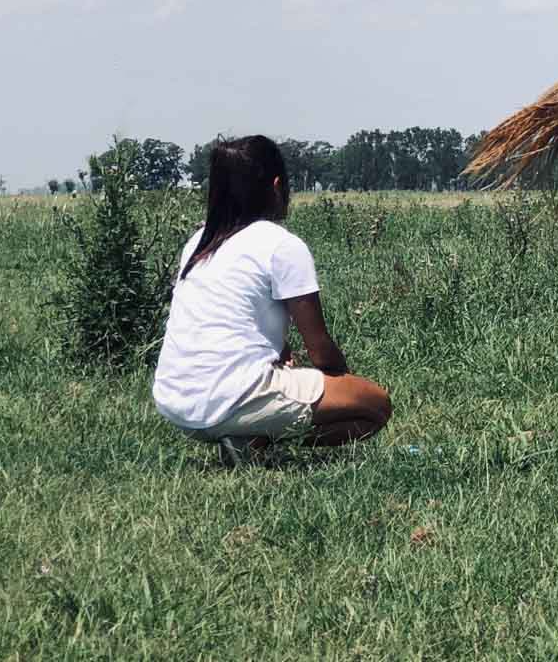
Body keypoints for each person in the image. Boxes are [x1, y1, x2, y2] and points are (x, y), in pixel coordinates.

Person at [151, 135, 392, 465]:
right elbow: (321, 351)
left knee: (316, 390)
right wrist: (343, 383)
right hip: (231, 397)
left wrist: (279, 355)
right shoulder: (281, 245)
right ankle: (256, 440)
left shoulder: (199, 241)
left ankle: (244, 435)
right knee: (375, 406)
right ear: (277, 186)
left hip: (176, 403)